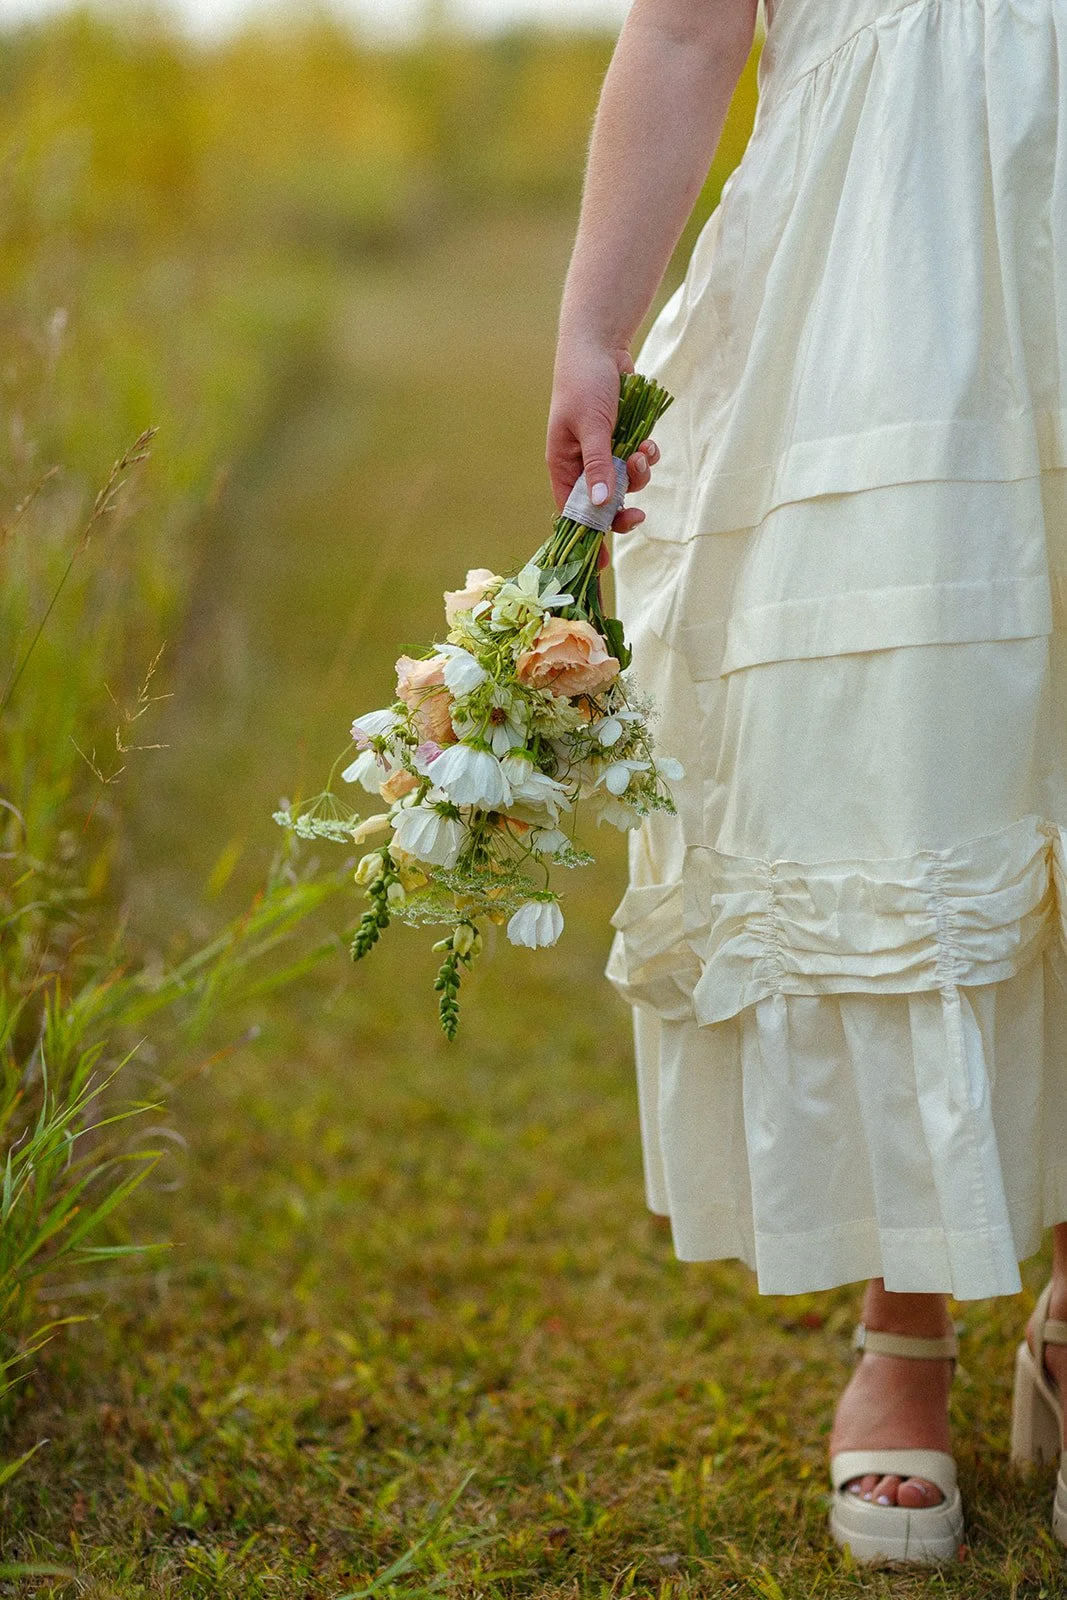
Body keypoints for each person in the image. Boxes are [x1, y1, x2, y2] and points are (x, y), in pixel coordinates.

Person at [546, 0, 1067, 1566]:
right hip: (885, 271)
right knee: (907, 761)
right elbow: (691, 27)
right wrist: (590, 323)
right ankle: (900, 1329)